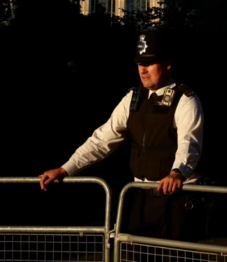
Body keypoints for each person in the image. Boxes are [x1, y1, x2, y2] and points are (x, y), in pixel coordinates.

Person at [39, 29, 204, 241]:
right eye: (139, 63)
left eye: (150, 63)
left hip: (176, 200)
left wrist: (177, 172)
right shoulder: (132, 99)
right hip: (140, 196)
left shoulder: (186, 100)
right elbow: (102, 140)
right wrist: (65, 169)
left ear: (167, 63)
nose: (143, 70)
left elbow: (189, 143)